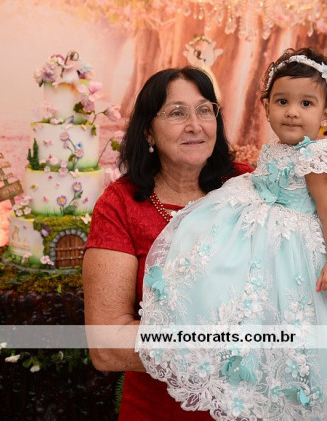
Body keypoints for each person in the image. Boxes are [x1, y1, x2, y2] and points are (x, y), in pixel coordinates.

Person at [137, 48, 327, 420]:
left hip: (302, 248)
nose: (292, 111)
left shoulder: (316, 158)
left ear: (326, 115)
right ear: (266, 107)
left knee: (304, 317)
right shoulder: (278, 149)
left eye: (306, 103)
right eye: (282, 101)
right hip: (267, 230)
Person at [82, 66, 253, 420]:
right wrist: (223, 346)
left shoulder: (248, 186)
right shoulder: (121, 205)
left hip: (250, 407)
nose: (195, 125)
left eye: (205, 110)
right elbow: (107, 344)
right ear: (148, 130)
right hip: (160, 410)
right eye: (177, 113)